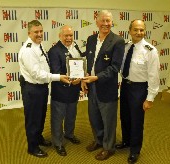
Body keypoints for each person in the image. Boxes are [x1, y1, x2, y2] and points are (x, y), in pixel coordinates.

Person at [18, 20, 70, 158]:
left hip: (40, 88)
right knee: (33, 119)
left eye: (41, 31)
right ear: (29, 33)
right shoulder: (28, 50)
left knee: (40, 116)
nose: (39, 34)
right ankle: (33, 147)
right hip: (33, 89)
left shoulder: (38, 45)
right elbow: (37, 74)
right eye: (36, 32)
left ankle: (38, 138)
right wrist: (58, 77)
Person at [81, 10, 125, 161]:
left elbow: (115, 68)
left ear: (112, 22)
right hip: (92, 87)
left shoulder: (118, 41)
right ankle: (99, 140)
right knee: (94, 118)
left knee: (108, 121)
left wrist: (96, 77)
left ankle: (108, 147)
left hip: (106, 88)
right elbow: (87, 60)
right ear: (97, 22)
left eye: (108, 21)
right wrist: (84, 77)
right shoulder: (91, 39)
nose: (105, 24)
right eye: (103, 21)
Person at [115, 19, 160, 163]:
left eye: (141, 30)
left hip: (139, 89)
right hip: (126, 86)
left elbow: (154, 76)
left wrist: (150, 98)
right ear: (130, 31)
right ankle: (126, 141)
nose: (139, 33)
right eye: (136, 30)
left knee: (136, 121)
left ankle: (135, 150)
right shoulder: (126, 47)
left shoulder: (150, 51)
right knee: (125, 116)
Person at [48, 25, 81, 156]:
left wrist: (81, 78)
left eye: (71, 35)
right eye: (66, 35)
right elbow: (56, 72)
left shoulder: (75, 47)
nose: (69, 38)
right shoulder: (54, 51)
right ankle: (57, 143)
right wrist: (73, 79)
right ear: (60, 36)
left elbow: (80, 64)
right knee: (57, 117)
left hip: (74, 89)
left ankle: (69, 134)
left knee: (71, 114)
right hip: (61, 90)